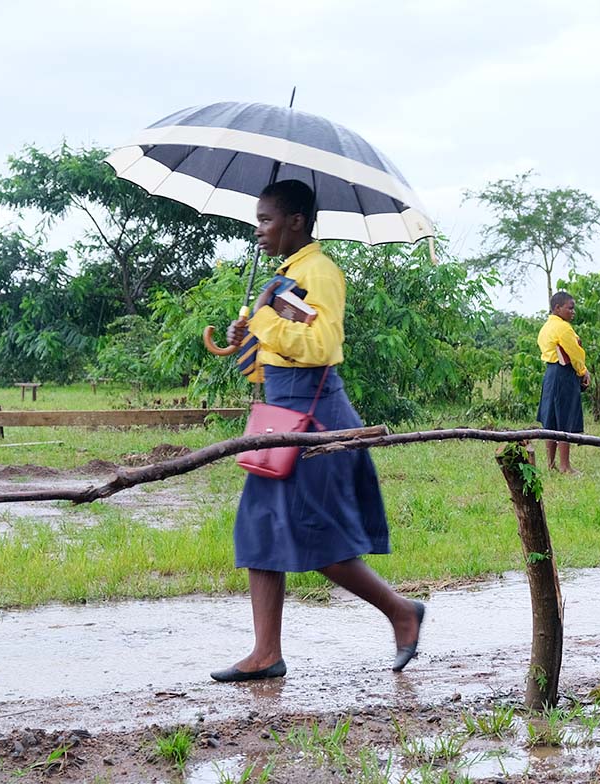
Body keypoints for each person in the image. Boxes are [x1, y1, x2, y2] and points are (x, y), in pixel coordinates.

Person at [217, 179, 423, 682]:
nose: (259, 229)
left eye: (267, 219)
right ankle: (266, 654)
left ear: (297, 222)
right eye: (258, 219)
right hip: (281, 415)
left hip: (317, 421)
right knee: (259, 530)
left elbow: (324, 346)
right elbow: (278, 358)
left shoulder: (320, 273)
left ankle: (401, 612)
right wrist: (246, 341)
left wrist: (265, 323)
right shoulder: (284, 276)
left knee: (318, 539)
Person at [537, 291, 590, 474]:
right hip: (564, 374)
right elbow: (575, 354)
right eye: (570, 308)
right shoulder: (564, 328)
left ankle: (551, 464)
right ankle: (565, 466)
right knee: (564, 419)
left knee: (551, 419)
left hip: (550, 374)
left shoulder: (545, 327)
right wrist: (583, 371)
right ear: (557, 308)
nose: (573, 312)